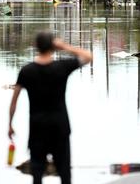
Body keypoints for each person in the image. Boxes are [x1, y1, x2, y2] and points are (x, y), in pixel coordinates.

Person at [8, 32, 93, 184]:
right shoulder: (62, 67)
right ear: (53, 46)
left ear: (36, 47)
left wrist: (10, 124)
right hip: (60, 126)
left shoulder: (27, 70)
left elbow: (14, 102)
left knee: (37, 172)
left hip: (37, 127)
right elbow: (88, 56)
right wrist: (65, 46)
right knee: (64, 172)